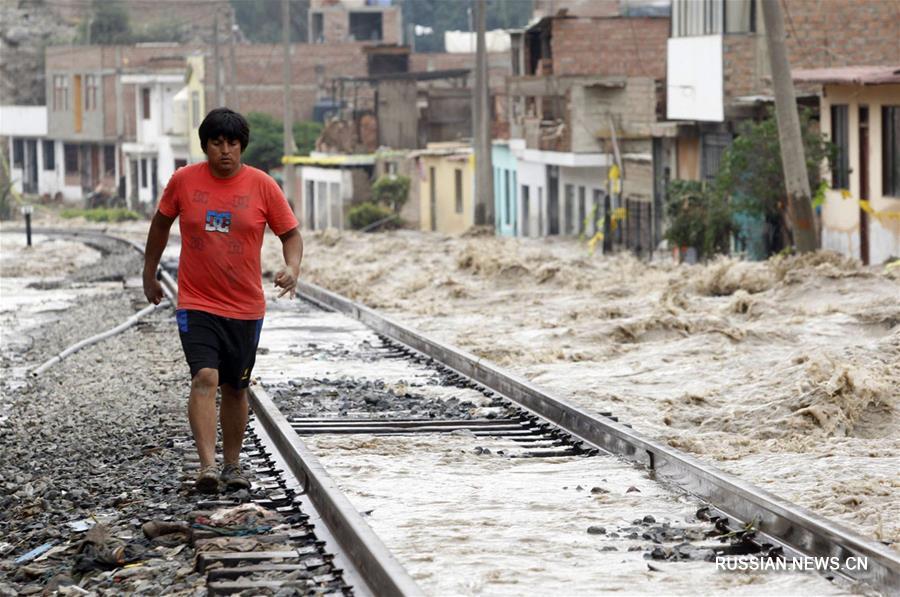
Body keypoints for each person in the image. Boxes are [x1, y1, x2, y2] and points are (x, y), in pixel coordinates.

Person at [142, 108, 302, 493]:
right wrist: (149, 273)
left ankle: (233, 465)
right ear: (206, 145)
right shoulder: (183, 181)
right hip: (197, 302)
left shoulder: (262, 186)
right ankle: (208, 466)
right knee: (205, 377)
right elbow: (160, 225)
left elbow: (291, 235)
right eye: (217, 143)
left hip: (246, 306)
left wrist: (292, 267)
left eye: (232, 143)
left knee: (235, 386)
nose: (225, 151)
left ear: (242, 146)